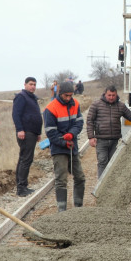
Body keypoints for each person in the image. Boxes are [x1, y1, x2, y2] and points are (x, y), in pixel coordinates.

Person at [86, 85, 131, 177]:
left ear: (116, 94)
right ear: (105, 94)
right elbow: (90, 121)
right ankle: (101, 187)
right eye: (109, 95)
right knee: (102, 162)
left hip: (115, 141)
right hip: (101, 140)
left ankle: (111, 185)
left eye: (113, 95)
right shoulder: (96, 105)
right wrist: (91, 137)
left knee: (114, 164)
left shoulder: (121, 106)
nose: (111, 97)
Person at [44, 81, 85, 212]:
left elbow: (79, 123)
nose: (69, 98)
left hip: (72, 146)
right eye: (66, 95)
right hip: (59, 148)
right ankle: (62, 211)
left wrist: (71, 134)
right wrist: (63, 142)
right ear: (60, 94)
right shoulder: (50, 109)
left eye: (71, 95)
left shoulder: (75, 104)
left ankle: (78, 207)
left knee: (80, 177)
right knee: (61, 180)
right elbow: (51, 133)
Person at [12, 76, 42, 197]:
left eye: (34, 84)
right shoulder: (21, 97)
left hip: (32, 132)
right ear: (25, 85)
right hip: (25, 132)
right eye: (30, 84)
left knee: (24, 157)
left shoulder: (32, 98)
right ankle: (21, 188)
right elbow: (16, 114)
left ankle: (22, 185)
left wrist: (38, 132)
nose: (33, 86)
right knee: (26, 158)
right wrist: (20, 129)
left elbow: (36, 115)